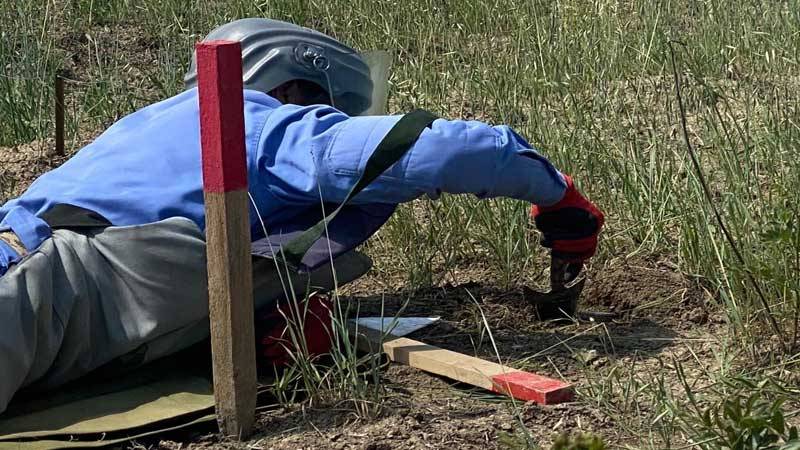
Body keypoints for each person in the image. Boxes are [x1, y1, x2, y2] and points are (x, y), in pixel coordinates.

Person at [0, 18, 603, 414]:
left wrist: (256, 317)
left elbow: (169, 249)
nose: (330, 124)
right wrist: (557, 195)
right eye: (331, 111)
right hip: (25, 284)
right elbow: (442, 151)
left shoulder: (153, 127)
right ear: (294, 88)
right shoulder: (258, 123)